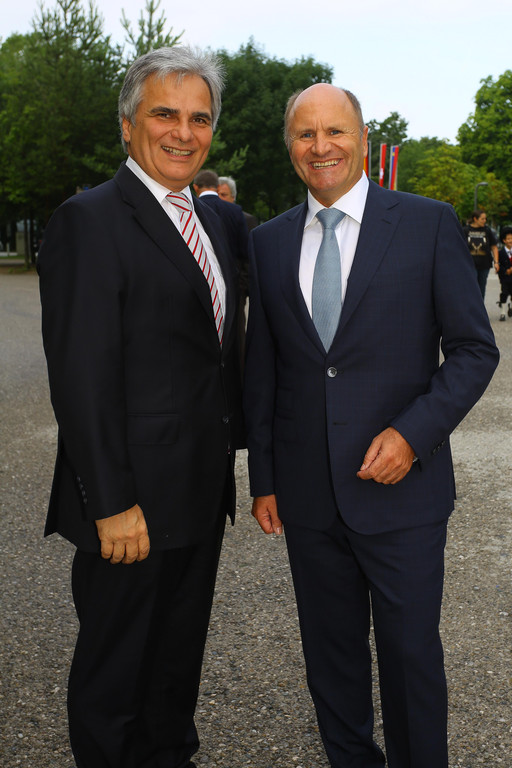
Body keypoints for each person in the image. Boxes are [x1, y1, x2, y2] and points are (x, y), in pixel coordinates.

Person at [243, 83, 499, 768]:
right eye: (305, 134)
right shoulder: (266, 242)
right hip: (306, 495)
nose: (320, 146)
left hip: (402, 492)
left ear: (362, 138)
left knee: (410, 658)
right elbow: (262, 368)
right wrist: (264, 477)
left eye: (335, 131)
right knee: (331, 661)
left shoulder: (426, 223)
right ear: (290, 147)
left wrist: (414, 434)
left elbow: (474, 350)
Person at [37, 46, 243, 768]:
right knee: (115, 681)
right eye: (165, 114)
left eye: (199, 118)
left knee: (174, 673)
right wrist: (111, 502)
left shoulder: (214, 223)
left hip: (198, 496)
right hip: (131, 509)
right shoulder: (88, 220)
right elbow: (80, 378)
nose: (183, 132)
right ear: (128, 125)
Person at [194, 169, 250, 365]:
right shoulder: (234, 211)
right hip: (234, 287)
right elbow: (245, 252)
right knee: (236, 338)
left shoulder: (189, 209)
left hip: (197, 287)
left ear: (195, 187)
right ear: (217, 187)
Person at [463, 208, 498, 299]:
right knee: (471, 287)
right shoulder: (465, 230)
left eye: (485, 218)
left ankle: (480, 306)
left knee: (481, 288)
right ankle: (470, 306)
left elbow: (494, 247)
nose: (484, 221)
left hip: (484, 264)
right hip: (470, 265)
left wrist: (496, 262)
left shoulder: (487, 230)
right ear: (475, 219)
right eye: (482, 219)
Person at [496, 226, 512, 320]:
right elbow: (498, 264)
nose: (511, 240)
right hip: (505, 277)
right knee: (504, 293)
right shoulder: (500, 253)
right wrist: (505, 271)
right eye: (508, 239)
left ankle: (511, 307)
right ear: (504, 240)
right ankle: (502, 312)